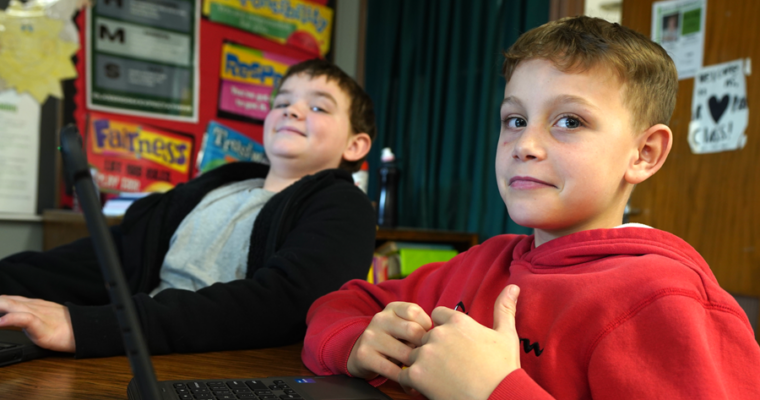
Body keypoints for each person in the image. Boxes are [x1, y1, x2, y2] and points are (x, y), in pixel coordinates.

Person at [301, 16, 760, 399]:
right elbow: (344, 303)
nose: (526, 144)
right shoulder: (482, 263)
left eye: (569, 121)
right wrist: (358, 341)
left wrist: (495, 389)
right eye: (515, 120)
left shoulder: (664, 300)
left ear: (644, 154)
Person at [0, 59, 379, 359]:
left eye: (317, 106)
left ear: (356, 146)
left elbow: (283, 304)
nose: (292, 110)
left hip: (215, 363)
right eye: (282, 102)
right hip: (134, 345)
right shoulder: (209, 189)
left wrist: (93, 326)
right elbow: (104, 258)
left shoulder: (344, 205)